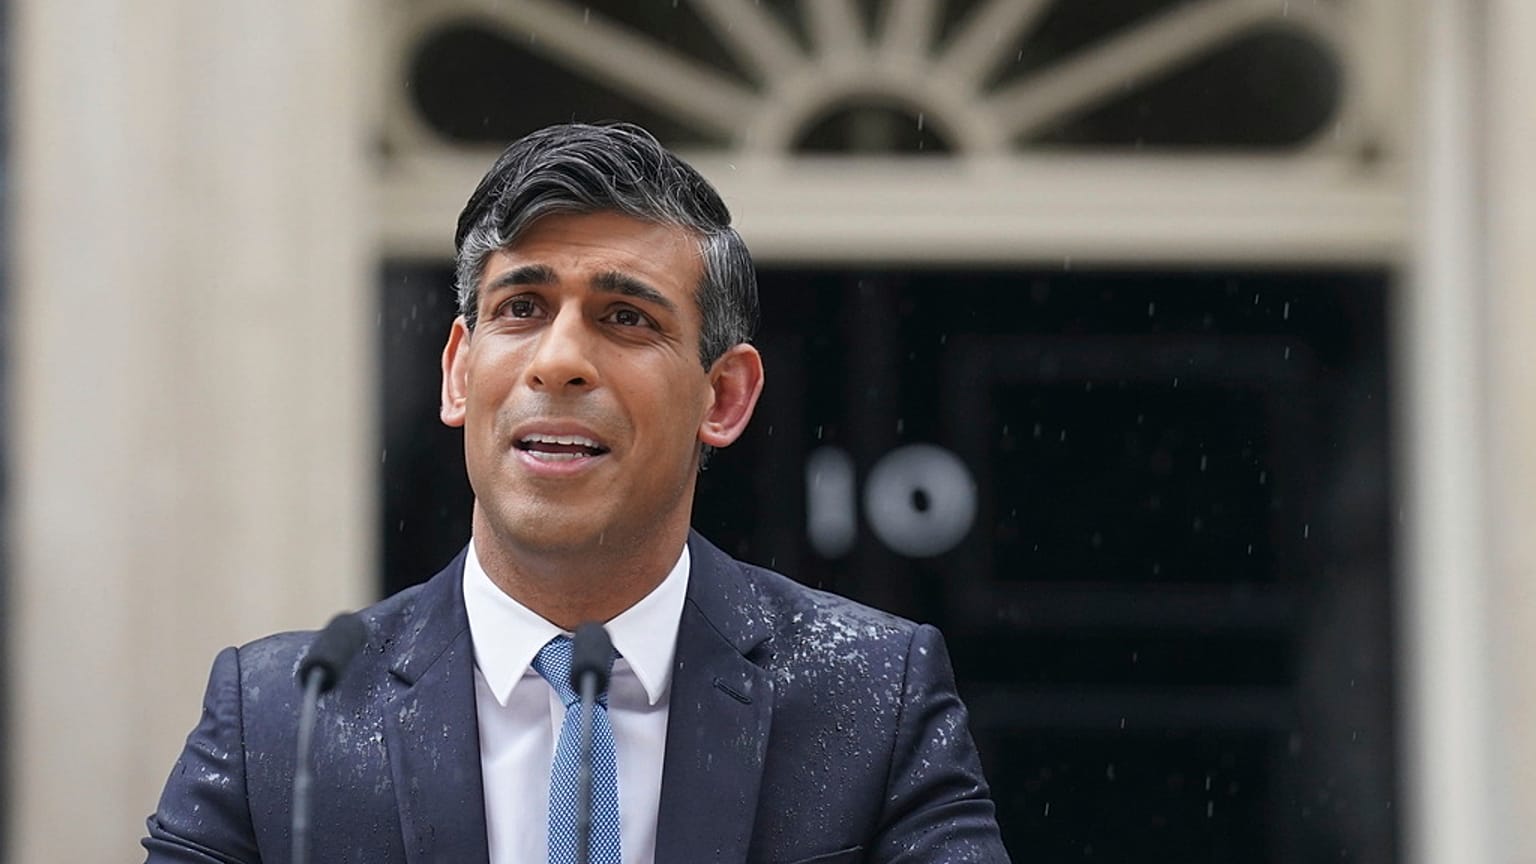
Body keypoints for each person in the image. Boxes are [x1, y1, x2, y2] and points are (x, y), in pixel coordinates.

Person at [143, 122, 1010, 864]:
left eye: (626, 317)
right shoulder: (281, 717)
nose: (558, 359)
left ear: (725, 396)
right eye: (521, 308)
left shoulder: (869, 694)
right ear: (458, 373)